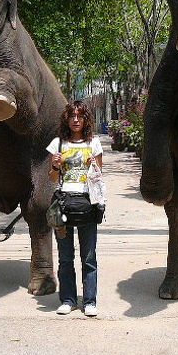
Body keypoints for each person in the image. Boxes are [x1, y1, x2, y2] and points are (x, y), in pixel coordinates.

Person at [46, 100, 103, 317]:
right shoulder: (58, 144)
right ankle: (68, 299)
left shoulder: (94, 143)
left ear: (86, 119)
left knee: (88, 257)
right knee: (65, 257)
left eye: (80, 116)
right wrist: (55, 166)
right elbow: (51, 178)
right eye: (72, 116)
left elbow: (99, 178)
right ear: (66, 119)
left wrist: (93, 165)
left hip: (87, 203)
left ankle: (89, 301)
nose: (76, 120)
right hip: (63, 204)